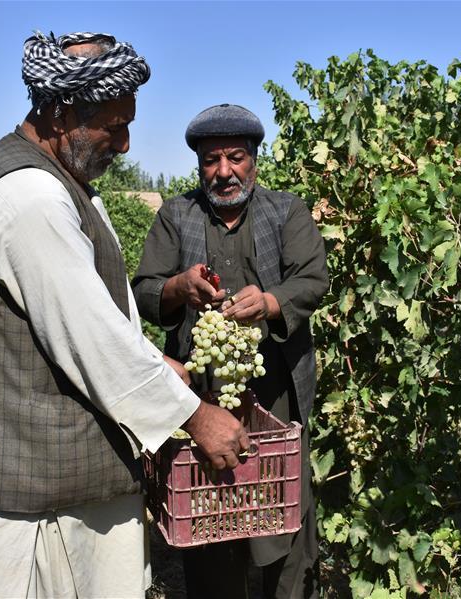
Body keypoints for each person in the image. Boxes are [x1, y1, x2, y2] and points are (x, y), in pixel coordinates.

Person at [0, 32, 247, 598]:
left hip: (57, 479)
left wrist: (153, 362)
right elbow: (92, 341)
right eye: (114, 126)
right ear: (59, 113)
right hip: (19, 489)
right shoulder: (30, 197)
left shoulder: (66, 185)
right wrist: (196, 415)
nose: (124, 145)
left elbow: (96, 312)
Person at [132, 104, 329, 598]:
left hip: (274, 394)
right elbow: (144, 292)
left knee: (281, 517)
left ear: (254, 161)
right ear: (199, 165)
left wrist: (269, 302)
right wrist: (178, 286)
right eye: (211, 160)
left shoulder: (285, 211)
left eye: (235, 158)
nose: (224, 172)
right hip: (201, 399)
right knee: (211, 524)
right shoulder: (177, 216)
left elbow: (312, 279)